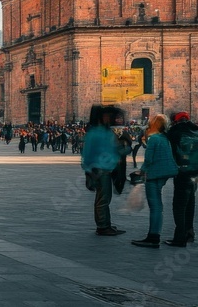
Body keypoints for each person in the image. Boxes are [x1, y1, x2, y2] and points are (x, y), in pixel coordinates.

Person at [132, 114, 179, 248]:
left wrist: (141, 171)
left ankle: (153, 237)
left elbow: (149, 159)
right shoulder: (164, 138)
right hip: (164, 173)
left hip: (154, 174)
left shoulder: (154, 138)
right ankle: (154, 235)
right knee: (158, 207)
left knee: (155, 207)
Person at [81, 105, 128, 236]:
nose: (110, 118)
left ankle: (105, 223)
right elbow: (87, 153)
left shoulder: (105, 132)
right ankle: (102, 226)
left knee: (105, 198)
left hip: (107, 169)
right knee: (103, 199)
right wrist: (89, 171)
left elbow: (113, 150)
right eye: (107, 115)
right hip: (99, 170)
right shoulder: (95, 133)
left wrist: (125, 147)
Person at [164, 111, 198, 247]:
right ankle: (190, 233)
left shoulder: (175, 132)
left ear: (176, 121)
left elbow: (169, 151)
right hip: (195, 173)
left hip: (182, 173)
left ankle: (179, 238)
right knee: (190, 203)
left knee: (179, 206)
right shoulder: (196, 132)